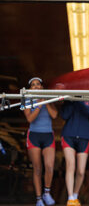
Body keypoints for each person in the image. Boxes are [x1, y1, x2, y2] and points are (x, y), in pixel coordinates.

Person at [24, 77, 58, 206]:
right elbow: (30, 119)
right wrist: (39, 104)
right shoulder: (26, 100)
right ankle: (39, 199)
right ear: (30, 88)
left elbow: (54, 115)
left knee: (49, 167)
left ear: (42, 87)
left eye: (38, 84)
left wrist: (46, 102)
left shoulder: (48, 98)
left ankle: (47, 193)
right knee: (37, 168)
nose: (36, 86)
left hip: (48, 135)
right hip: (34, 135)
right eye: (33, 85)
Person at [60, 101, 89, 206]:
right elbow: (64, 115)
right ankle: (70, 198)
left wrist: (80, 102)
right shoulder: (70, 99)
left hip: (84, 137)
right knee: (70, 166)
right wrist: (72, 101)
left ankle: (75, 195)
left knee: (81, 171)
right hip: (68, 135)